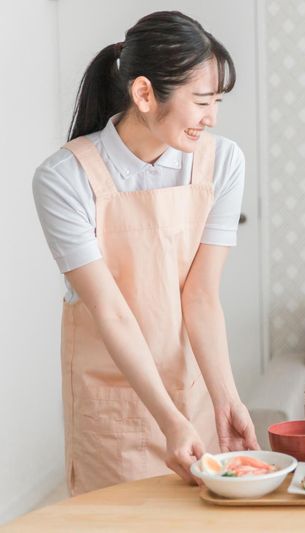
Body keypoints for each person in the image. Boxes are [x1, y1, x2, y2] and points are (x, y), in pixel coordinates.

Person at [32, 11, 258, 495]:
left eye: (216, 101)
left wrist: (226, 400)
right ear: (143, 94)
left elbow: (201, 296)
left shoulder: (223, 162)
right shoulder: (65, 178)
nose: (211, 117)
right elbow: (112, 312)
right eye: (201, 101)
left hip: (191, 393)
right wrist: (168, 421)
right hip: (111, 410)